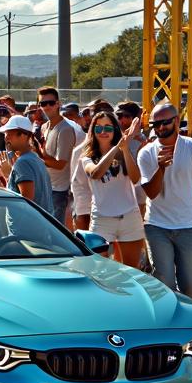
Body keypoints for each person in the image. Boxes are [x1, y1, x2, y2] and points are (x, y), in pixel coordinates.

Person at [137, 101, 192, 298]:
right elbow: (151, 193)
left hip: (189, 226)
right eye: (155, 124)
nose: (160, 127)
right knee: (164, 284)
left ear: (177, 120)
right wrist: (160, 168)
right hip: (156, 226)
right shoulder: (146, 153)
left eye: (165, 122)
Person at [81, 110, 145, 267]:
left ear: (115, 130)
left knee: (132, 271)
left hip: (129, 217)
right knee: (98, 270)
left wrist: (124, 148)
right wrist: (118, 146)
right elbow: (96, 173)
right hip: (101, 219)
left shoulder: (124, 151)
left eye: (108, 128)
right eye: (98, 128)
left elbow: (136, 178)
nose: (103, 132)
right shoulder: (86, 157)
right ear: (93, 131)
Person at [36, 86, 78, 224]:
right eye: (43, 103)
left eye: (51, 103)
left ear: (58, 104)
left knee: (53, 232)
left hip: (58, 191)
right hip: (44, 186)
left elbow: (60, 164)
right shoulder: (44, 127)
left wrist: (37, 156)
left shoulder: (65, 129)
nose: (47, 107)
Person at [0, 115, 52, 213]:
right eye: (5, 134)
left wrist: (8, 175)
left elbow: (26, 203)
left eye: (9, 134)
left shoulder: (23, 163)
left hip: (27, 226)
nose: (6, 138)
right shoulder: (34, 158)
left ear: (24, 135)